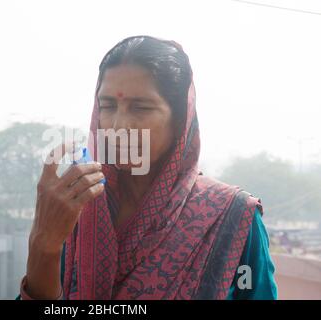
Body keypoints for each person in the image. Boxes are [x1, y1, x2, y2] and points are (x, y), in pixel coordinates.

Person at [18, 35, 278, 300]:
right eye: (107, 106)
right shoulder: (77, 207)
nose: (118, 126)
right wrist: (44, 246)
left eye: (140, 107)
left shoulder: (232, 217)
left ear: (180, 120)